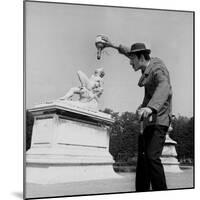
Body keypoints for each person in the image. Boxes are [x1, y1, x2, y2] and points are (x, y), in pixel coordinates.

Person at [101, 36, 172, 191]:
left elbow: (164, 87)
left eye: (132, 59)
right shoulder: (145, 63)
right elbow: (128, 52)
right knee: (143, 159)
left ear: (141, 57)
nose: (129, 62)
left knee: (152, 157)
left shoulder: (158, 69)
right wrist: (111, 45)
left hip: (159, 121)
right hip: (147, 121)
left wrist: (150, 107)